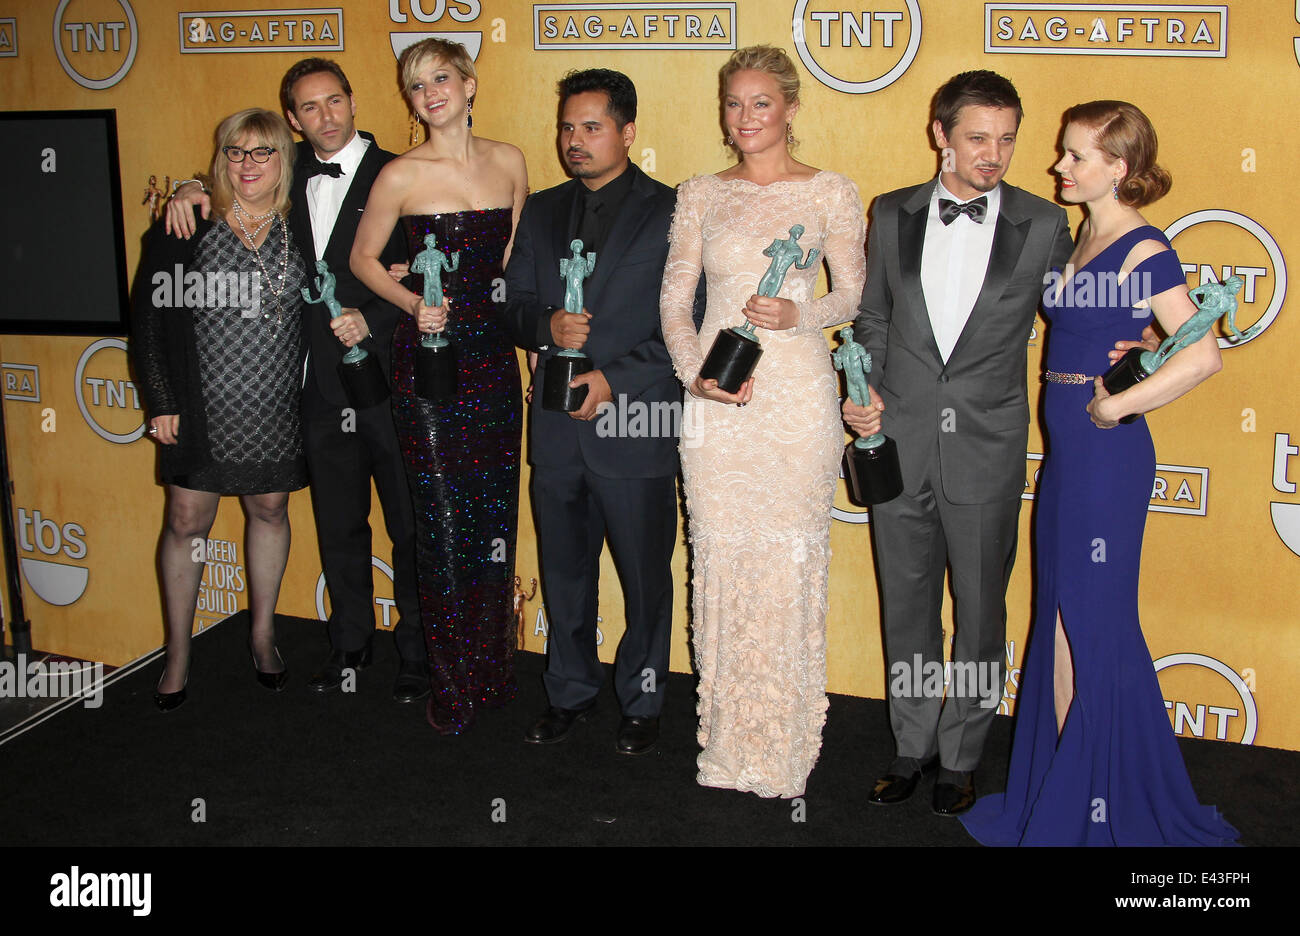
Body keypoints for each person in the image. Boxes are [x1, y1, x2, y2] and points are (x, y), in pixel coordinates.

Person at [960, 101, 1238, 845]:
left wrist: (1122, 408)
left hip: (1107, 460)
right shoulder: (1086, 235)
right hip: (1067, 460)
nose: (1060, 167)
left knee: (1095, 622)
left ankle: (1104, 800)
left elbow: (1204, 354)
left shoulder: (1146, 247)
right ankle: (1067, 788)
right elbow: (1152, 333)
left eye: (1077, 156)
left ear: (1119, 167)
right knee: (1056, 617)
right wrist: (1143, 340)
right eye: (1063, 153)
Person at [843, 71, 1076, 815]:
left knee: (980, 612)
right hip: (896, 441)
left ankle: (963, 754)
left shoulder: (1042, 224)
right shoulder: (891, 212)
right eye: (978, 138)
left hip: (987, 444)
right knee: (907, 606)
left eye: (1007, 139)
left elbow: (1076, 317)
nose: (995, 155)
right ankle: (912, 746)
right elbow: (872, 316)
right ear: (940, 135)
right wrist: (864, 388)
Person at [167, 58, 429, 704]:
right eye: (309, 108)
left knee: (408, 524)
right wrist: (184, 189)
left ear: (353, 100)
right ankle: (349, 644)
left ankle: (418, 655)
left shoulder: (403, 171)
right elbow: (233, 190)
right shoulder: (287, 176)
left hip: (392, 379)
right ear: (293, 119)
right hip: (315, 390)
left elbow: (430, 269)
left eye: (334, 101)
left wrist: (373, 316)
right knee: (338, 524)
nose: (325, 116)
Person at [659, 45, 866, 797]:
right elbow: (674, 299)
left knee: (787, 562)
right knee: (719, 555)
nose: (744, 119)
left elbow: (852, 296)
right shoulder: (701, 193)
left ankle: (781, 747)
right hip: (716, 402)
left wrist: (799, 311)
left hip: (795, 399)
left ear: (790, 108)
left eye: (760, 104)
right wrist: (696, 377)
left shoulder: (830, 193)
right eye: (733, 105)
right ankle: (726, 744)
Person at [350, 37, 528, 735]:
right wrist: (411, 304)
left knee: (493, 518)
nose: (431, 94)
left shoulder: (510, 160)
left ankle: (493, 671)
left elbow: (514, 256)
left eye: (442, 78)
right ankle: (452, 684)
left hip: (491, 355)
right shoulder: (400, 174)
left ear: (470, 82)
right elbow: (364, 260)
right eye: (417, 85)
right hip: (428, 360)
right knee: (443, 518)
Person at [502, 68, 679, 757]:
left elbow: (687, 323)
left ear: (627, 132)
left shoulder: (673, 210)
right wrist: (545, 323)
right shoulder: (541, 210)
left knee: (643, 578)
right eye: (567, 128)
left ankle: (642, 701)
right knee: (566, 574)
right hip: (554, 430)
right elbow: (512, 307)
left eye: (592, 127)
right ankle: (568, 693)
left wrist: (615, 379)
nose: (575, 141)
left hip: (635, 426)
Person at [133, 108, 308, 711]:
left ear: (283, 159)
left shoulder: (301, 225)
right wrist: (161, 400)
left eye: (263, 152)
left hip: (276, 407)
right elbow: (150, 322)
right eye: (236, 152)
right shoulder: (188, 223)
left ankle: (262, 637)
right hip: (201, 409)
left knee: (269, 510)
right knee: (186, 522)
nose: (249, 164)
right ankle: (177, 653)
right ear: (220, 158)